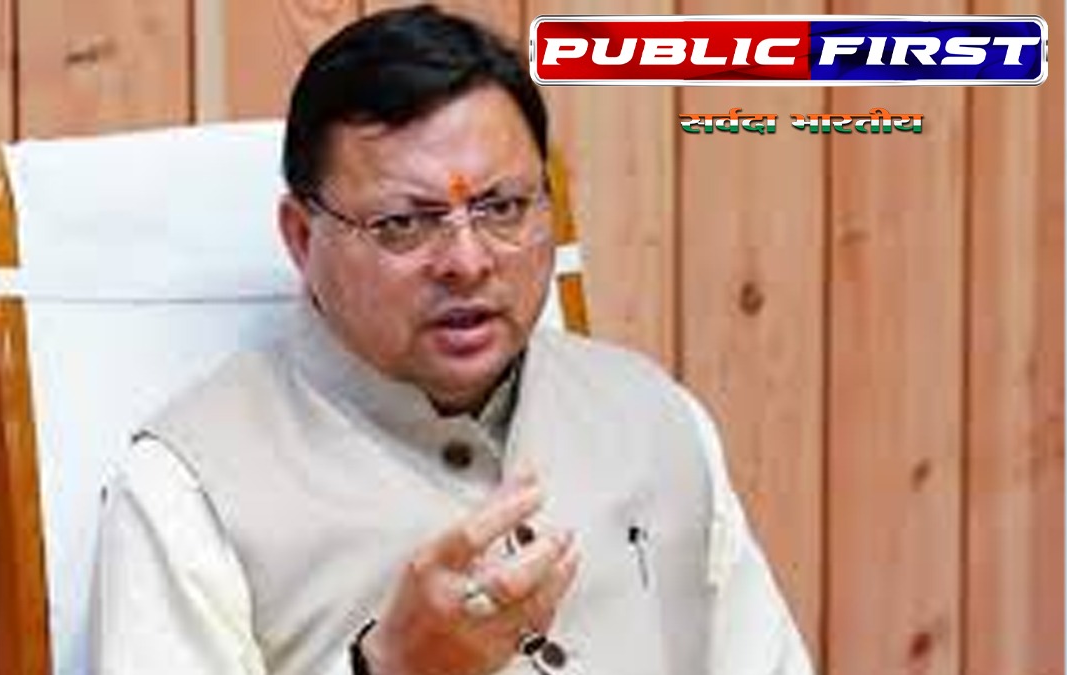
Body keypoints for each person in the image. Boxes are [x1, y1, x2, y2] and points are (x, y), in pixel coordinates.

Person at [89, 5, 814, 675]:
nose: (467, 262)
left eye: (502, 207)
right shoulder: (187, 485)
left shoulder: (658, 418)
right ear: (302, 237)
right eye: (404, 223)